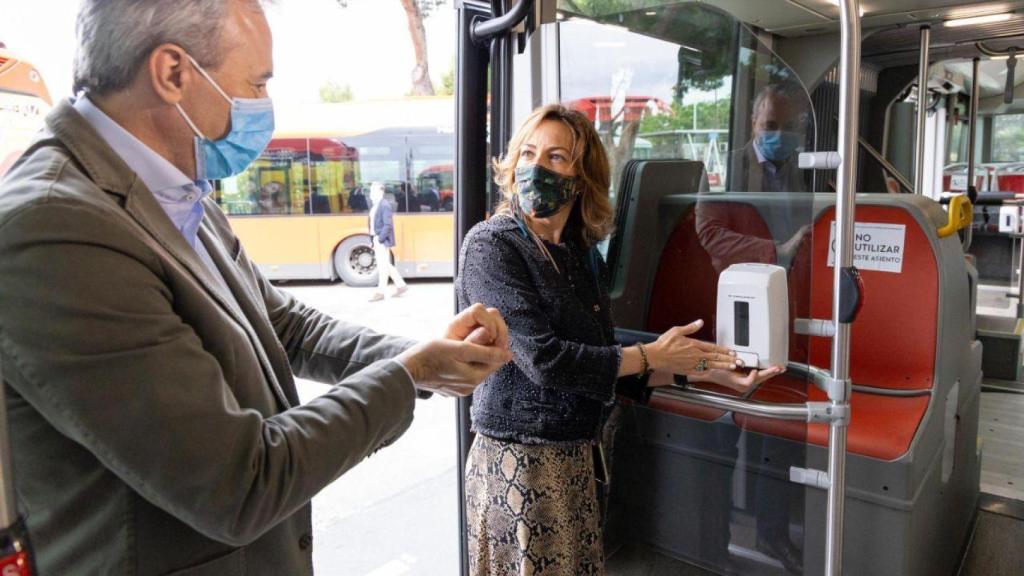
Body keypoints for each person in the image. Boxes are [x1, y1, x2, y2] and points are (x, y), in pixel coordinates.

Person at [0, 1, 512, 575]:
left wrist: (419, 356)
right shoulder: (56, 228)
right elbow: (240, 483)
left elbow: (282, 322)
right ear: (173, 73)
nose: (262, 106)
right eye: (257, 83)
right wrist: (410, 374)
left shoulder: (178, 190)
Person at [456, 103, 783, 575]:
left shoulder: (579, 254)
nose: (535, 168)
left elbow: (605, 366)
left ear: (582, 177)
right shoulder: (492, 245)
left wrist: (704, 373)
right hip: (519, 465)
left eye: (555, 157)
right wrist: (652, 353)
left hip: (578, 459)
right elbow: (543, 360)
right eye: (528, 153)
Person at [368, 181, 408, 301]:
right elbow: (372, 224)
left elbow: (388, 225)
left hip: (381, 239)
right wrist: (372, 239)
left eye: (373, 191)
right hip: (376, 238)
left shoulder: (384, 205)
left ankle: (380, 292)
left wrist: (379, 239)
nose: (371, 194)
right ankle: (401, 285)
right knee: (385, 264)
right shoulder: (376, 205)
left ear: (380, 191)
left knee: (382, 267)